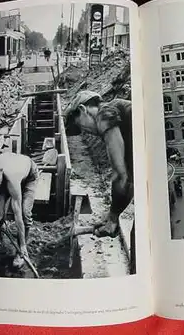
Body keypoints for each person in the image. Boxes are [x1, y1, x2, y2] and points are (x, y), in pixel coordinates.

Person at [64, 91, 136, 274]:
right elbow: (130, 180)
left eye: (82, 127)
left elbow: (121, 176)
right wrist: (113, 213)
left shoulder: (105, 115)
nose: (88, 133)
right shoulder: (119, 113)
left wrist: (112, 218)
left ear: (83, 110)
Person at [0, 153, 39, 269]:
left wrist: (22, 245)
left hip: (30, 175)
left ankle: (22, 251)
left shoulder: (12, 177)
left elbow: (17, 214)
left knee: (25, 213)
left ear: (1, 171)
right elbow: (0, 191)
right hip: (10, 172)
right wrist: (1, 214)